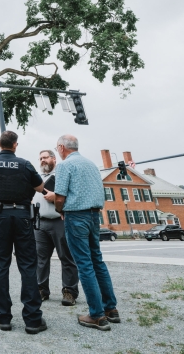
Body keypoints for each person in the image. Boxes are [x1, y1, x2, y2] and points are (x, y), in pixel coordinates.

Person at [0, 131, 47, 334]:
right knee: (27, 266)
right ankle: (33, 320)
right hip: (23, 217)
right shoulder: (25, 164)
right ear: (15, 145)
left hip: (0, 217)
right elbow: (40, 187)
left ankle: (3, 318)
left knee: (0, 266)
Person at [53, 135, 119, 331]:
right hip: (93, 216)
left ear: (62, 147)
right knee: (97, 261)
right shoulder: (91, 165)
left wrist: (60, 210)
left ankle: (96, 315)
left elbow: (59, 197)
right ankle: (111, 309)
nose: (58, 150)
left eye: (57, 148)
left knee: (84, 264)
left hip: (75, 216)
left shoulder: (65, 166)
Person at [33, 149, 79, 307]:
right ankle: (41, 289)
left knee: (66, 258)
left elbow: (75, 196)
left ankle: (69, 291)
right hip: (40, 224)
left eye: (45, 157)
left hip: (60, 222)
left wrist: (56, 197)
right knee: (40, 260)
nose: (42, 160)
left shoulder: (62, 175)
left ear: (53, 159)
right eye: (40, 158)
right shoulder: (37, 179)